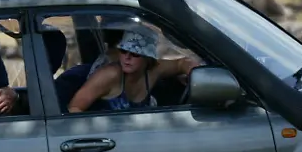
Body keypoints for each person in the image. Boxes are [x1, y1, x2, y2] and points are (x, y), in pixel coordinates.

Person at [66, 28, 202, 113]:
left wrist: (197, 78)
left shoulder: (154, 70)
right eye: (123, 51)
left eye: (135, 54)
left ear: (148, 59)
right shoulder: (110, 75)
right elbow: (74, 108)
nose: (127, 57)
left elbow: (183, 63)